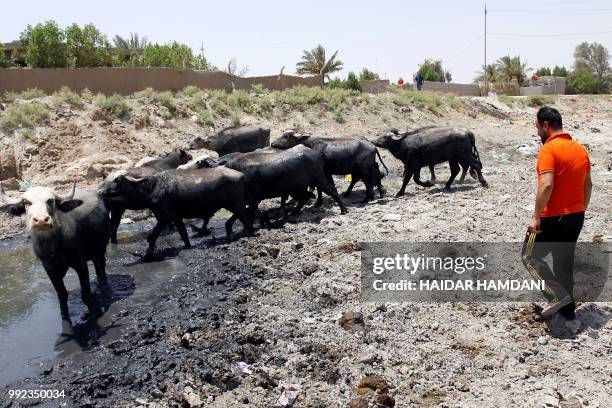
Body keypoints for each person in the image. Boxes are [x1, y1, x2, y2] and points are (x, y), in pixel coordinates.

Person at [521, 107, 592, 321]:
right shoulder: (580, 150)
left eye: (537, 128)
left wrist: (536, 216)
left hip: (552, 217)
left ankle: (556, 295)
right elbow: (588, 186)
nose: (537, 133)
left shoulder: (549, 150)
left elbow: (547, 185)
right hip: (576, 215)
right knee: (563, 262)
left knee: (528, 256)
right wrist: (580, 210)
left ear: (545, 125)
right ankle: (567, 311)